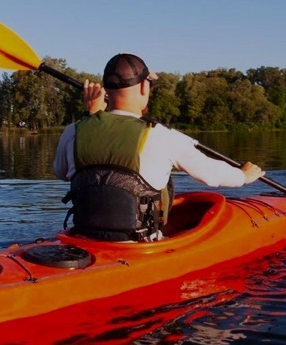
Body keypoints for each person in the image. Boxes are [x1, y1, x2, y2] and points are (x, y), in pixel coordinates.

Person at [54, 52, 265, 242]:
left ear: (106, 90)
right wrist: (244, 176)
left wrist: (92, 118)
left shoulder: (74, 131)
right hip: (141, 245)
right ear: (145, 86)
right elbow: (211, 175)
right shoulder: (162, 136)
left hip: (83, 240)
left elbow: (62, 172)